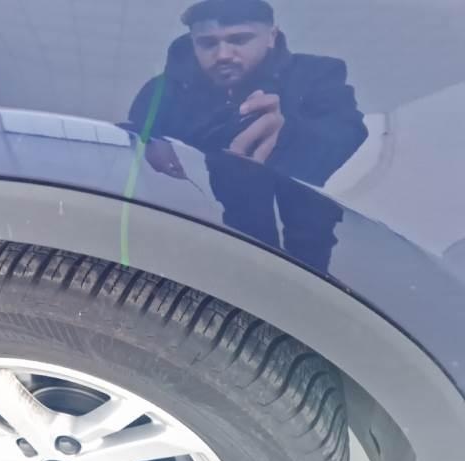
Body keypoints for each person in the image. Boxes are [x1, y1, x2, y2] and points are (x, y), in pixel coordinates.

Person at [128, 0, 368, 271]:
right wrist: (151, 142)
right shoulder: (162, 92)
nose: (223, 54)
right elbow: (131, 141)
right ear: (192, 42)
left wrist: (287, 134)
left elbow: (348, 137)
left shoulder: (317, 76)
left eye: (239, 39)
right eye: (207, 43)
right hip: (201, 243)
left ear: (271, 36)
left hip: (308, 255)